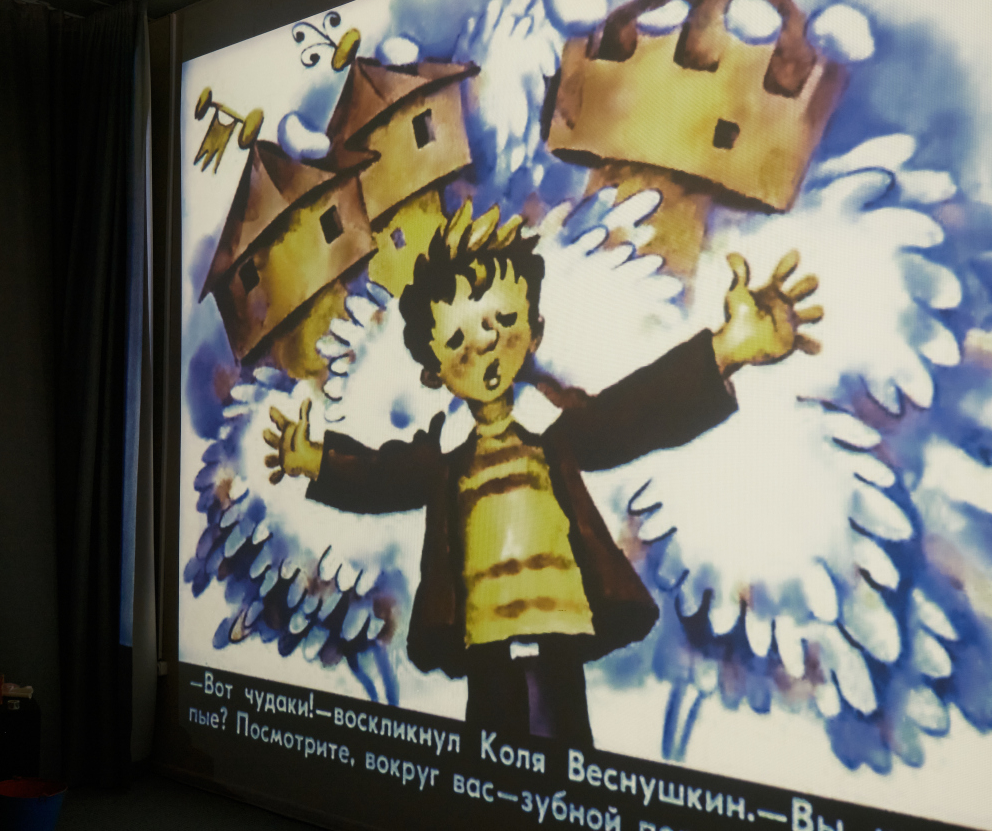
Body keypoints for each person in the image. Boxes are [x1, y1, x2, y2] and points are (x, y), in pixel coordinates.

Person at [264, 203, 822, 746]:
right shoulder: (446, 454)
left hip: (558, 623)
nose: (484, 343)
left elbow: (634, 416)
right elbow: (386, 477)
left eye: (502, 322)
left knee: (562, 746)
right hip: (484, 636)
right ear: (433, 372)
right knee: (490, 758)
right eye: (457, 341)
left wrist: (728, 348)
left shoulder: (555, 427)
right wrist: (318, 461)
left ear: (534, 331)